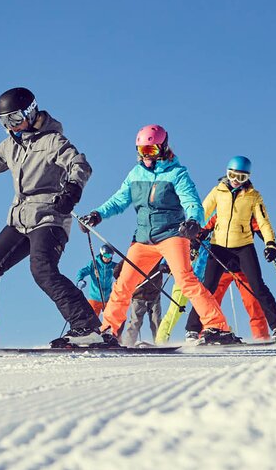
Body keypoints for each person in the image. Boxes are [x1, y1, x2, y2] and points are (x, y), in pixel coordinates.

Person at [0, 87, 108, 349]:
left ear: (31, 112)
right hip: (19, 220)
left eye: (15, 119)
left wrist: (72, 190)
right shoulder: (10, 146)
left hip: (51, 216)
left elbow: (80, 165)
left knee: (42, 270)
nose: (11, 127)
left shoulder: (52, 141)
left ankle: (86, 326)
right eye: (4, 122)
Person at [80, 124, 237, 345]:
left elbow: (191, 201)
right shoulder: (136, 174)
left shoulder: (177, 173)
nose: (146, 156)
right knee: (123, 284)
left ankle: (218, 327)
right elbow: (119, 200)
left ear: (162, 148)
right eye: (141, 151)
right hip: (143, 239)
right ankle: (108, 330)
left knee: (185, 280)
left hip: (172, 234)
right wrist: (98, 214)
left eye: (151, 151)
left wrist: (193, 221)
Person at [185, 156, 276, 343]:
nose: (235, 180)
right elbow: (203, 211)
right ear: (227, 173)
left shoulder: (253, 196)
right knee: (208, 288)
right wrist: (194, 232)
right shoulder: (218, 191)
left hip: (243, 246)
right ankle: (193, 329)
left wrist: (270, 243)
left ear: (247, 177)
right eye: (232, 175)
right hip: (218, 246)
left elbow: (264, 222)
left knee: (258, 287)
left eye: (240, 177)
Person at [118, 258, 169, 346]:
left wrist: (167, 267)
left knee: (156, 320)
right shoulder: (137, 254)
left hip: (154, 294)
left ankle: (161, 343)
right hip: (139, 294)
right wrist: (125, 278)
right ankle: (128, 344)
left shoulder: (159, 255)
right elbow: (117, 270)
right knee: (135, 321)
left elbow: (170, 263)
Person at [76, 245, 116, 315]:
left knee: (111, 318)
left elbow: (125, 270)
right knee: (92, 319)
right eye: (106, 255)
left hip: (107, 298)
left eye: (110, 256)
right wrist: (79, 280)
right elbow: (82, 272)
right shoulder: (94, 264)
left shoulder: (114, 267)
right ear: (102, 254)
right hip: (94, 298)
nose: (107, 258)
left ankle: (108, 326)